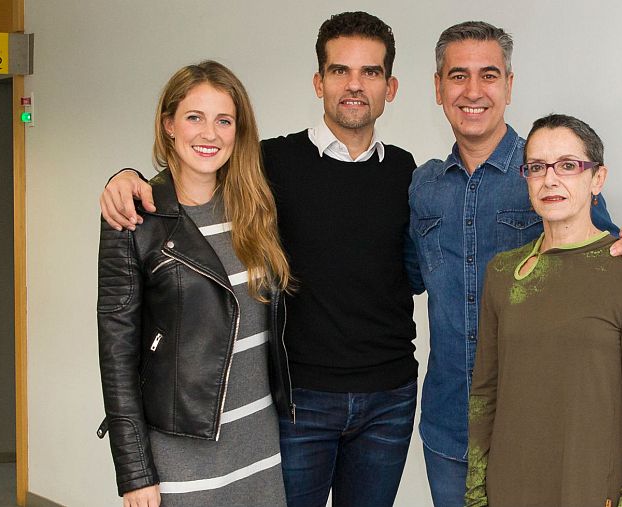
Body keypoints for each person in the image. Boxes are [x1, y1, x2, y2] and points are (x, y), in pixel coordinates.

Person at [99, 13, 417, 507]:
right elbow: (195, 173)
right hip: (295, 402)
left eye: (370, 72)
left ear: (390, 86)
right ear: (319, 81)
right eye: (339, 70)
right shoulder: (272, 167)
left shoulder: (402, 169)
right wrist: (124, 177)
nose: (354, 85)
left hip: (375, 401)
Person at [406, 21, 622, 506]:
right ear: (438, 88)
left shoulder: (549, 171)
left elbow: (601, 255)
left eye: (489, 75)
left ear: (509, 85)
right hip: (447, 425)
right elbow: (408, 276)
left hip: (537, 432)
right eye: (458, 76)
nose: (473, 91)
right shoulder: (425, 187)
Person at [96, 60, 292, 507]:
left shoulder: (256, 207)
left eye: (224, 120)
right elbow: (117, 353)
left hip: (260, 443)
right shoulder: (135, 217)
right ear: (168, 125)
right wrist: (135, 472)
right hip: (181, 453)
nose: (210, 134)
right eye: (194, 117)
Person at [465, 114, 622, 506]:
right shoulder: (503, 272)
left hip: (588, 487)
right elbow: (484, 393)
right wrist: (475, 493)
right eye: (537, 167)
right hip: (508, 487)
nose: (550, 179)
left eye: (568, 166)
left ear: (598, 179)